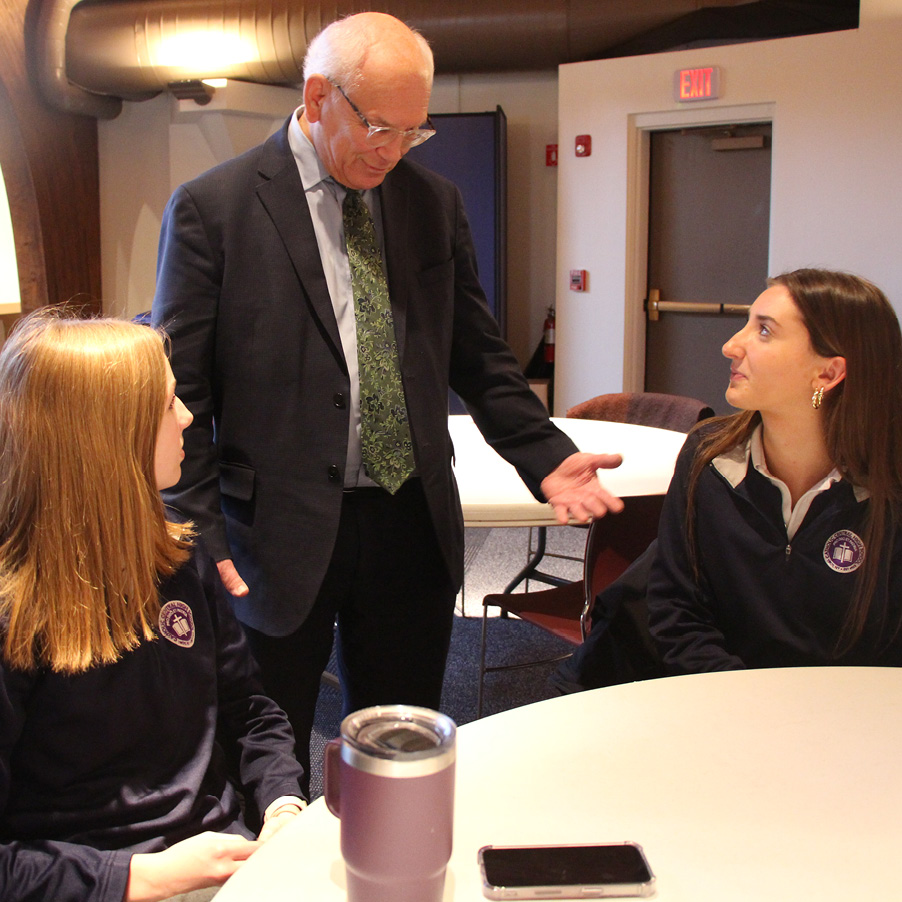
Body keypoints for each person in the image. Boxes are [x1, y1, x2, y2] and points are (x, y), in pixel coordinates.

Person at [151, 10, 624, 790]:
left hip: (409, 522)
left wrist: (547, 458)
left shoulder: (429, 202)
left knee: (399, 752)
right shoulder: (215, 208)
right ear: (315, 97)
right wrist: (198, 532)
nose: (392, 149)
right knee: (257, 750)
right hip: (272, 534)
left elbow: (478, 354)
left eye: (413, 132)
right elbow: (184, 392)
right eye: (377, 126)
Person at [0, 311, 306, 902]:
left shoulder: (180, 555)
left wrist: (283, 804)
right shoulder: (16, 610)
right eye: (169, 403)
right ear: (109, 433)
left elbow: (249, 710)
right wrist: (145, 877)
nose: (189, 416)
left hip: (224, 857)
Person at [648, 268, 902, 673]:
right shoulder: (708, 456)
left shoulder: (891, 486)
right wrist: (747, 704)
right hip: (724, 704)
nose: (731, 346)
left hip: (855, 719)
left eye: (764, 332)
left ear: (828, 373)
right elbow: (676, 609)